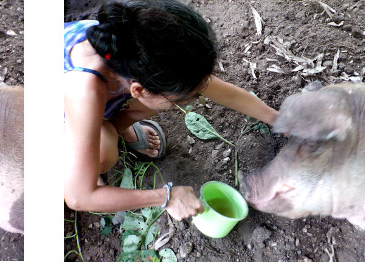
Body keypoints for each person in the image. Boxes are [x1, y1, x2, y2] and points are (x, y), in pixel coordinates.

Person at [63, 0, 278, 220]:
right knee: (104, 153)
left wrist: (278, 119)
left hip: (101, 98)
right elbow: (79, 198)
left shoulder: (133, 45)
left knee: (161, 101)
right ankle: (73, 161)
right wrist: (166, 197)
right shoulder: (85, 90)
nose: (195, 99)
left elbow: (219, 91)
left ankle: (113, 130)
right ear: (137, 89)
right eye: (189, 97)